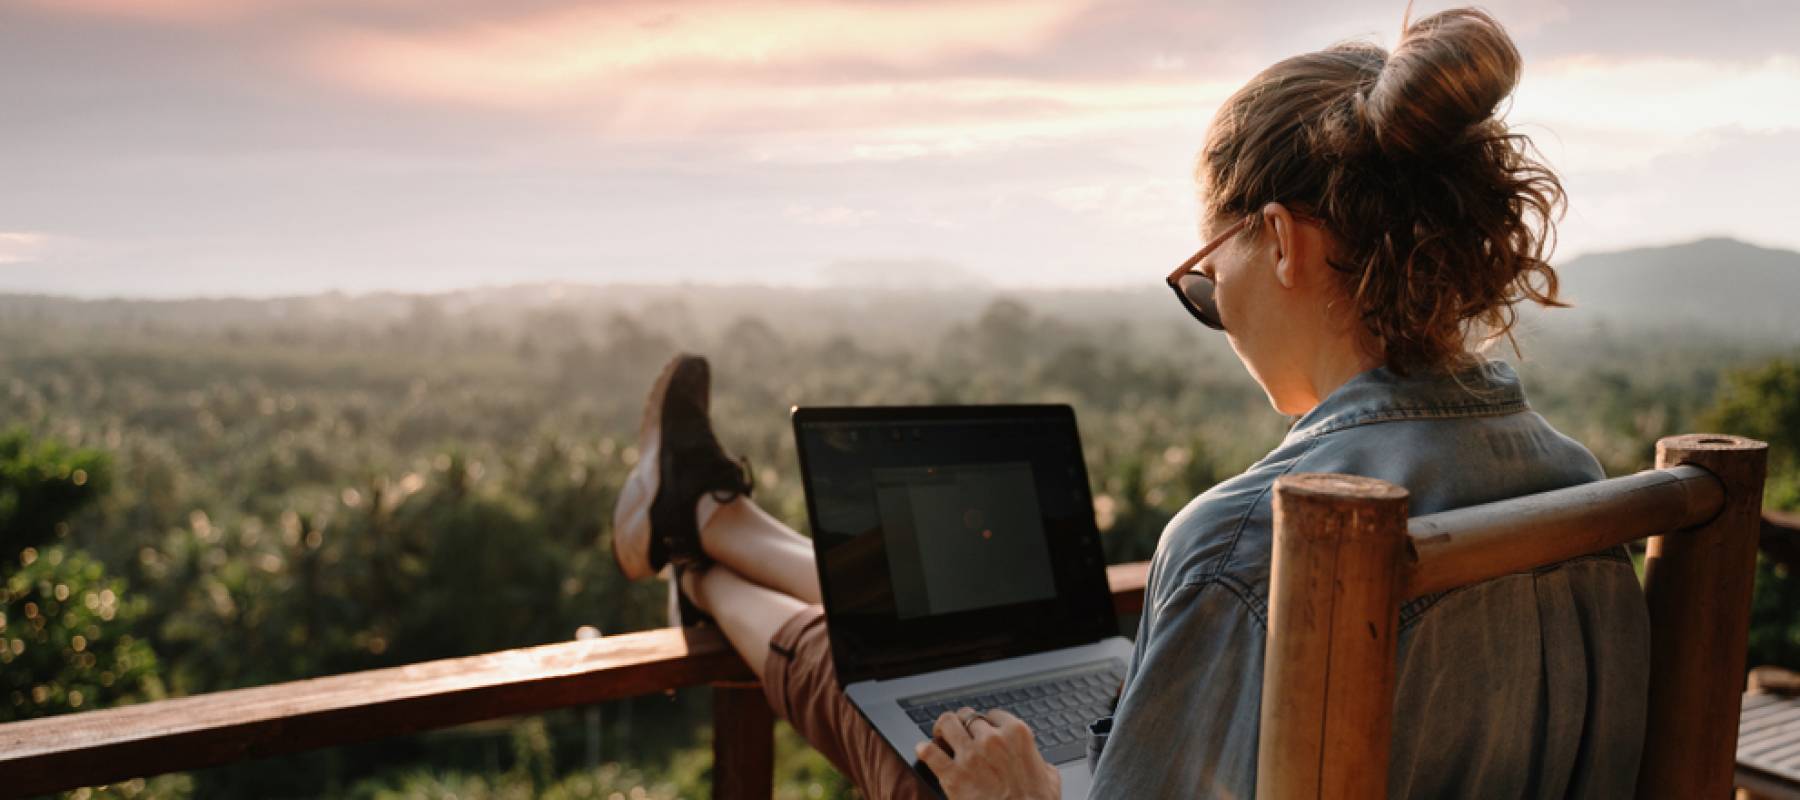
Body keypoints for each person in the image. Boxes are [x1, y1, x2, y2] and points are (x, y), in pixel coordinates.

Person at [609, 7, 1649, 798]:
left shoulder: (1256, 539)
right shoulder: (1580, 489)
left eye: (1207, 275)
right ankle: (709, 519)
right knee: (939, 648)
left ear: (1281, 242)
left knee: (886, 697)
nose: (1216, 307)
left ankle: (700, 551)